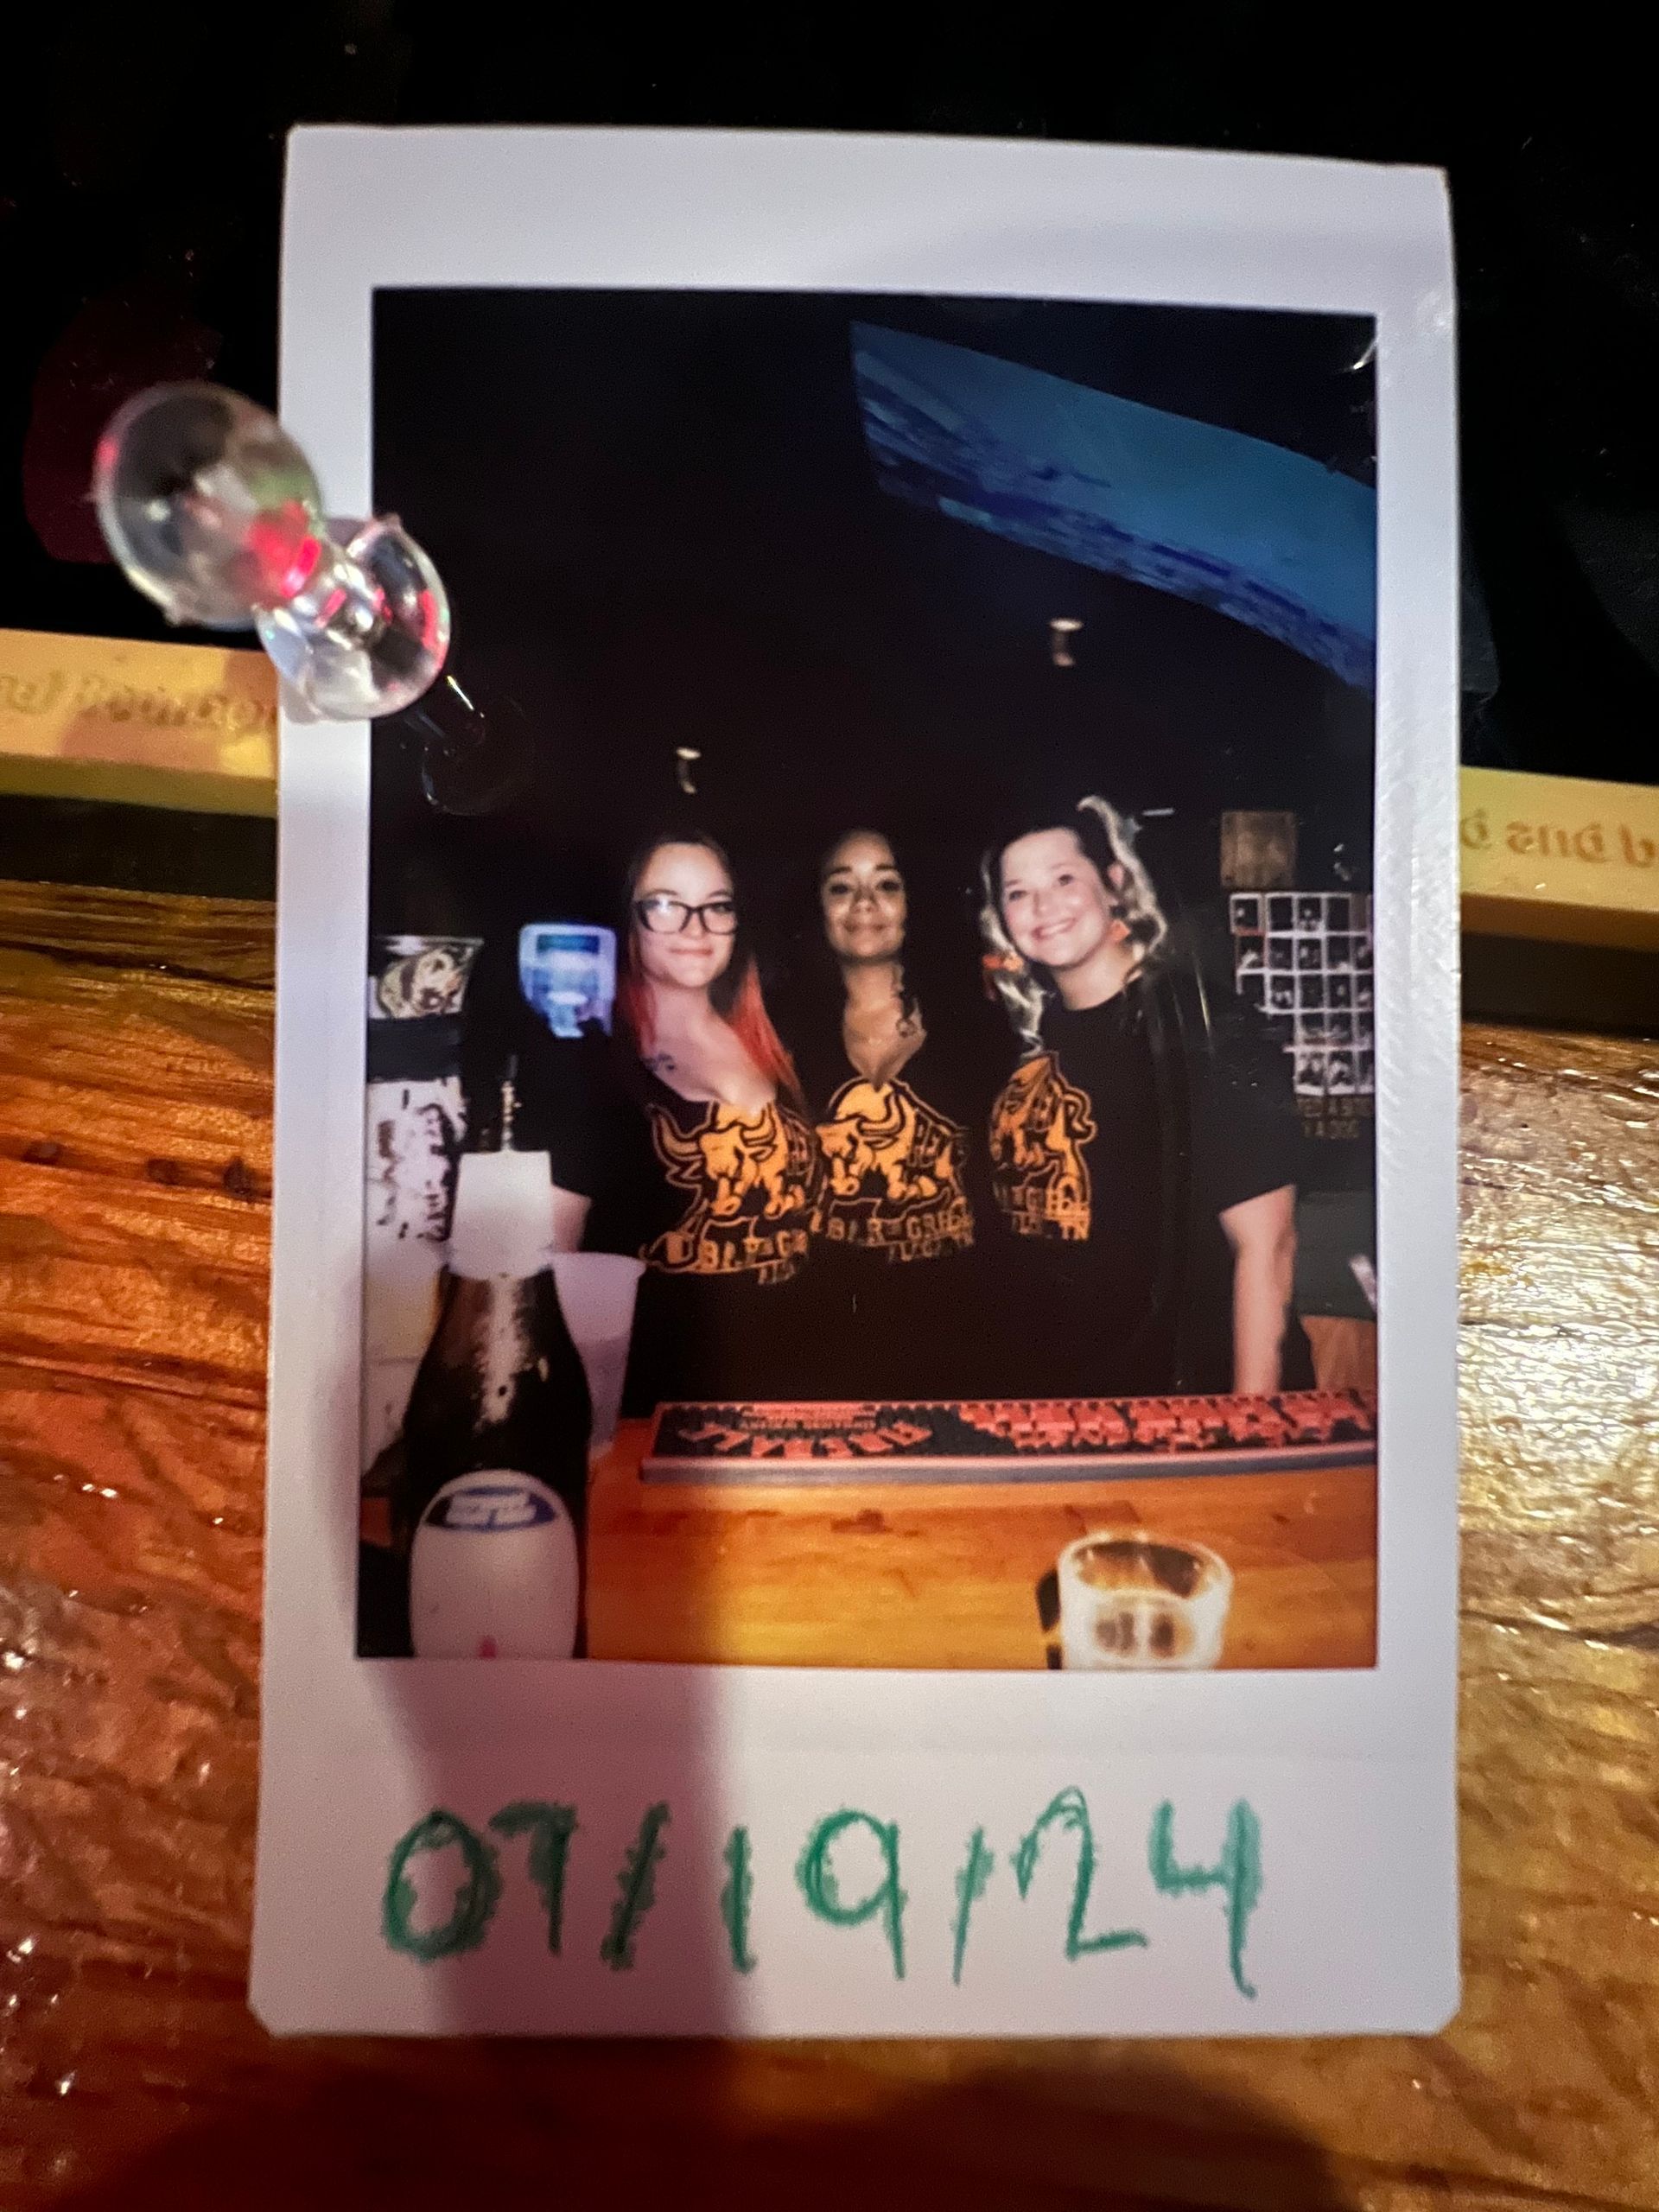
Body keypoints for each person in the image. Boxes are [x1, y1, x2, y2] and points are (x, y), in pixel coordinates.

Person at [980, 796, 1305, 1399]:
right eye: (1018, 892)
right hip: (1066, 1396)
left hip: (1184, 1403)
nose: (1042, 906)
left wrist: (1248, 1431)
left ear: (1115, 885)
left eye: (1063, 879)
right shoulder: (1028, 1038)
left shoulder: (1205, 1029)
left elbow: (1267, 1249)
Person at [499, 831, 822, 1414]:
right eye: (667, 905)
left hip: (793, 1386)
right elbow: (546, 1272)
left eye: (716, 907)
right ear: (631, 920)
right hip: (652, 1408)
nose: (695, 929)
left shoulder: (772, 1041)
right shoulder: (591, 1061)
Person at [782, 829, 995, 1397]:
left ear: (911, 905)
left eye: (886, 885)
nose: (864, 905)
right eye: (841, 888)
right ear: (819, 907)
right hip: (822, 1345)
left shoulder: (979, 1029)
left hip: (963, 1346)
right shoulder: (781, 1037)